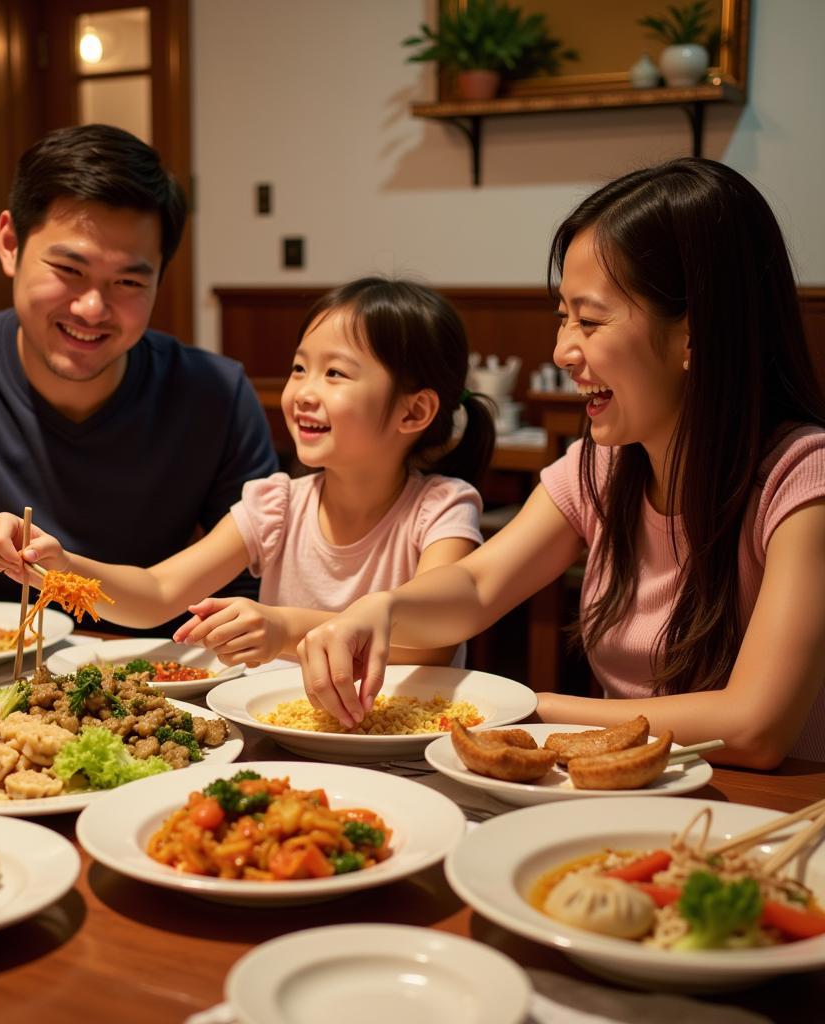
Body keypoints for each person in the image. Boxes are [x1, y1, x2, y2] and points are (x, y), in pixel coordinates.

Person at [297, 158, 825, 768]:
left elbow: (755, 727)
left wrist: (535, 709)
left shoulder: (800, 478)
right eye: (563, 318)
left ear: (693, 334)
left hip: (769, 816)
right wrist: (382, 608)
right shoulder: (601, 466)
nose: (562, 351)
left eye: (591, 320)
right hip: (618, 793)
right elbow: (475, 584)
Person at [0, 124, 277, 670]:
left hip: (155, 688)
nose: (92, 308)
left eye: (129, 282)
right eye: (69, 269)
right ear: (10, 244)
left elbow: (251, 578)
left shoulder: (215, 394)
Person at [0, 277, 495, 667]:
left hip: (406, 748)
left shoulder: (441, 508)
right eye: (299, 368)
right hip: (286, 731)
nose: (303, 392)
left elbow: (431, 644)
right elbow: (158, 591)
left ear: (414, 412)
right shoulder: (278, 503)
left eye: (335, 373)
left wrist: (283, 629)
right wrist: (62, 567)